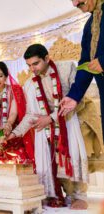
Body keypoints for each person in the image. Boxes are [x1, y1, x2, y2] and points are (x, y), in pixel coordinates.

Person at [9, 44, 88, 209]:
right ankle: (54, 193)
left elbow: (77, 100)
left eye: (35, 64)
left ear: (46, 58)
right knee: (45, 151)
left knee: (71, 153)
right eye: (29, 65)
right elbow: (31, 115)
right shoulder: (30, 84)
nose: (32, 69)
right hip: (46, 126)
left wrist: (51, 118)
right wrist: (15, 133)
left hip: (69, 119)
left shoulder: (66, 69)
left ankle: (78, 196)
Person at [60, 0, 104, 144]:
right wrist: (74, 96)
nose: (81, 9)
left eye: (81, 4)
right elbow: (85, 64)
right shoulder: (89, 25)